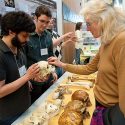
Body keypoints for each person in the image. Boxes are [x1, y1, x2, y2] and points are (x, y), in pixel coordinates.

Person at [48, 0, 125, 125]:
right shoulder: (107, 42)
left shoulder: (121, 41)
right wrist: (62, 64)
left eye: (89, 24)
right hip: (101, 105)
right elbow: (89, 68)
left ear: (102, 20)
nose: (87, 29)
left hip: (112, 112)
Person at [0, 11, 41, 125]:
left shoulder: (19, 48)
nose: (27, 40)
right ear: (11, 32)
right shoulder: (1, 54)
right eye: (24, 36)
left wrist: (31, 78)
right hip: (9, 116)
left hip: (25, 108)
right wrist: (26, 77)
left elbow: (19, 74)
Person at [24, 5, 58, 104]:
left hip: (48, 79)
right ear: (35, 18)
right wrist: (26, 79)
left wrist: (53, 71)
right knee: (35, 107)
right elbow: (22, 60)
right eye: (42, 21)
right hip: (33, 82)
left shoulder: (48, 36)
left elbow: (51, 56)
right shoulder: (27, 36)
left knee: (49, 103)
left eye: (47, 22)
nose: (44, 25)